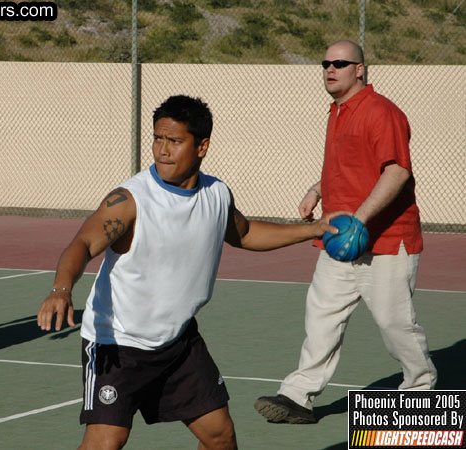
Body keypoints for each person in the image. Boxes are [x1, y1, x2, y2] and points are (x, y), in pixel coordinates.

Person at [37, 95, 344, 449]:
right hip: (118, 343)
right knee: (106, 442)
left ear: (202, 146)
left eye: (174, 141)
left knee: (219, 435)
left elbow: (243, 233)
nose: (162, 150)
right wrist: (61, 289)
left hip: (177, 343)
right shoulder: (130, 199)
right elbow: (83, 244)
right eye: (157, 138)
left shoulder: (216, 194)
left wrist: (313, 229)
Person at [254, 40, 437, 425]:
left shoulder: (381, 112)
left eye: (340, 63)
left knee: (394, 323)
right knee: (321, 317)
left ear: (360, 69)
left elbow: (396, 171)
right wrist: (316, 190)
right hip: (339, 241)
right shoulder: (337, 112)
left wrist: (359, 219)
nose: (330, 69)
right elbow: (345, 166)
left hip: (386, 242)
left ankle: (420, 391)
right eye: (325, 63)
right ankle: (297, 397)